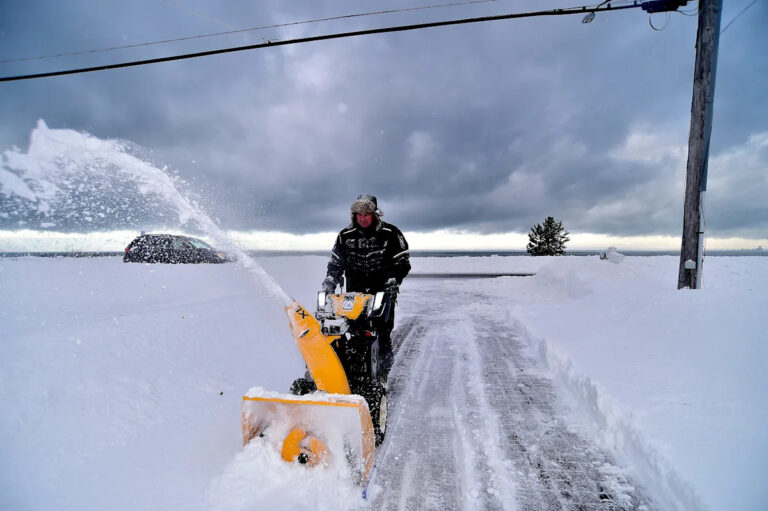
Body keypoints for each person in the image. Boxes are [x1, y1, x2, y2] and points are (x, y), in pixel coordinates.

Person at [322, 194, 410, 382]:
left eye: (366, 214)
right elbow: (336, 264)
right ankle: (348, 373)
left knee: (381, 332)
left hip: (383, 293)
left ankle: (382, 375)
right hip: (354, 295)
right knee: (351, 332)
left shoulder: (390, 233)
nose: (362, 218)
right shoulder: (345, 236)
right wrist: (330, 281)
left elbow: (402, 262)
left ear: (375, 214)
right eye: (358, 214)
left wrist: (394, 280)